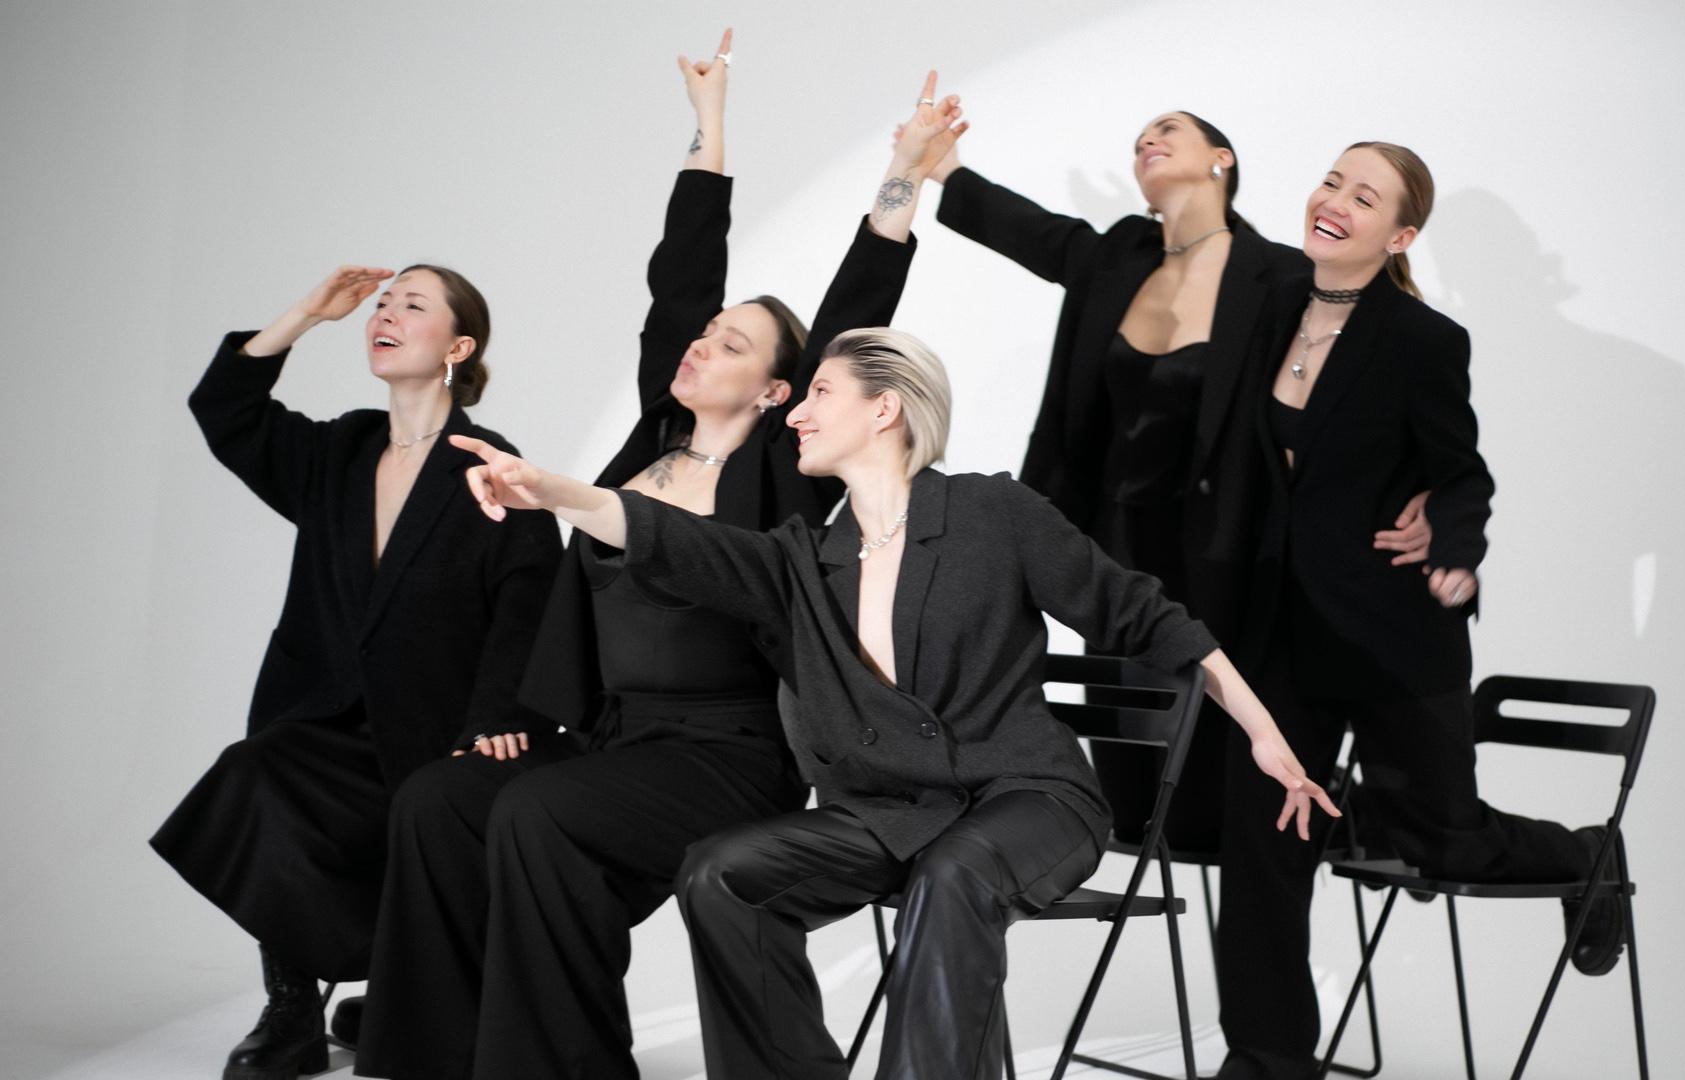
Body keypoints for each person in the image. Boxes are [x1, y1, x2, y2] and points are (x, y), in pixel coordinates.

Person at [450, 321, 1340, 1080]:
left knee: (954, 875)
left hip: (1032, 800)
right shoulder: (803, 560)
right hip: (893, 813)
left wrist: (1266, 735)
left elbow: (1145, 618)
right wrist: (548, 489)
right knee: (722, 877)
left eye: (819, 394)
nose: (796, 414)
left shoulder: (995, 513)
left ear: (884, 408)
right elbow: (672, 539)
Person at [352, 57, 967, 1080]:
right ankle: (435, 1055)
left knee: (540, 814)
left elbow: (858, 302)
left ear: (777, 391)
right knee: (439, 801)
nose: (701, 345)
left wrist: (904, 171)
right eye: (704, 336)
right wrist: (708, 117)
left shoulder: (782, 470)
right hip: (611, 737)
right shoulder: (651, 440)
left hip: (729, 755)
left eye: (731, 345)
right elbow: (681, 272)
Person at [1211, 141, 1623, 1079]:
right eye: (1332, 181)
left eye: (1365, 197)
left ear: (1398, 236)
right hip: (1279, 629)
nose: (1335, 201)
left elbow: (1461, 473)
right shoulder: (1272, 303)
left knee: (1442, 841)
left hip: (1391, 629)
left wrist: (1453, 546)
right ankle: (1269, 1059)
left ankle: (1584, 854)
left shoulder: (1422, 339)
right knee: (1263, 840)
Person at [923, 115, 1431, 855]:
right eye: (1138, 140)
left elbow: (1390, 366)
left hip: (1224, 557)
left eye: (1168, 129)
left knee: (1210, 816)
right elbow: (1027, 229)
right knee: (1136, 816)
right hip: (1112, 557)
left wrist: (1427, 492)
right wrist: (939, 167)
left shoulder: (1280, 275)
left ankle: (1368, 823)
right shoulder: (1116, 258)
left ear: (1222, 158)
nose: (1147, 141)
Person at [150, 262, 560, 1080]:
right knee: (258, 776)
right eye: (383, 302)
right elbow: (223, 408)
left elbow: (528, 597)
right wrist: (306, 314)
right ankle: (292, 1010)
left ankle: (407, 989)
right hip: (322, 713)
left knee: (421, 820)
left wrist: (498, 716)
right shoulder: (339, 449)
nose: (386, 314)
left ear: (458, 347)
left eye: (413, 304)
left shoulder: (488, 461)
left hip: (434, 724)